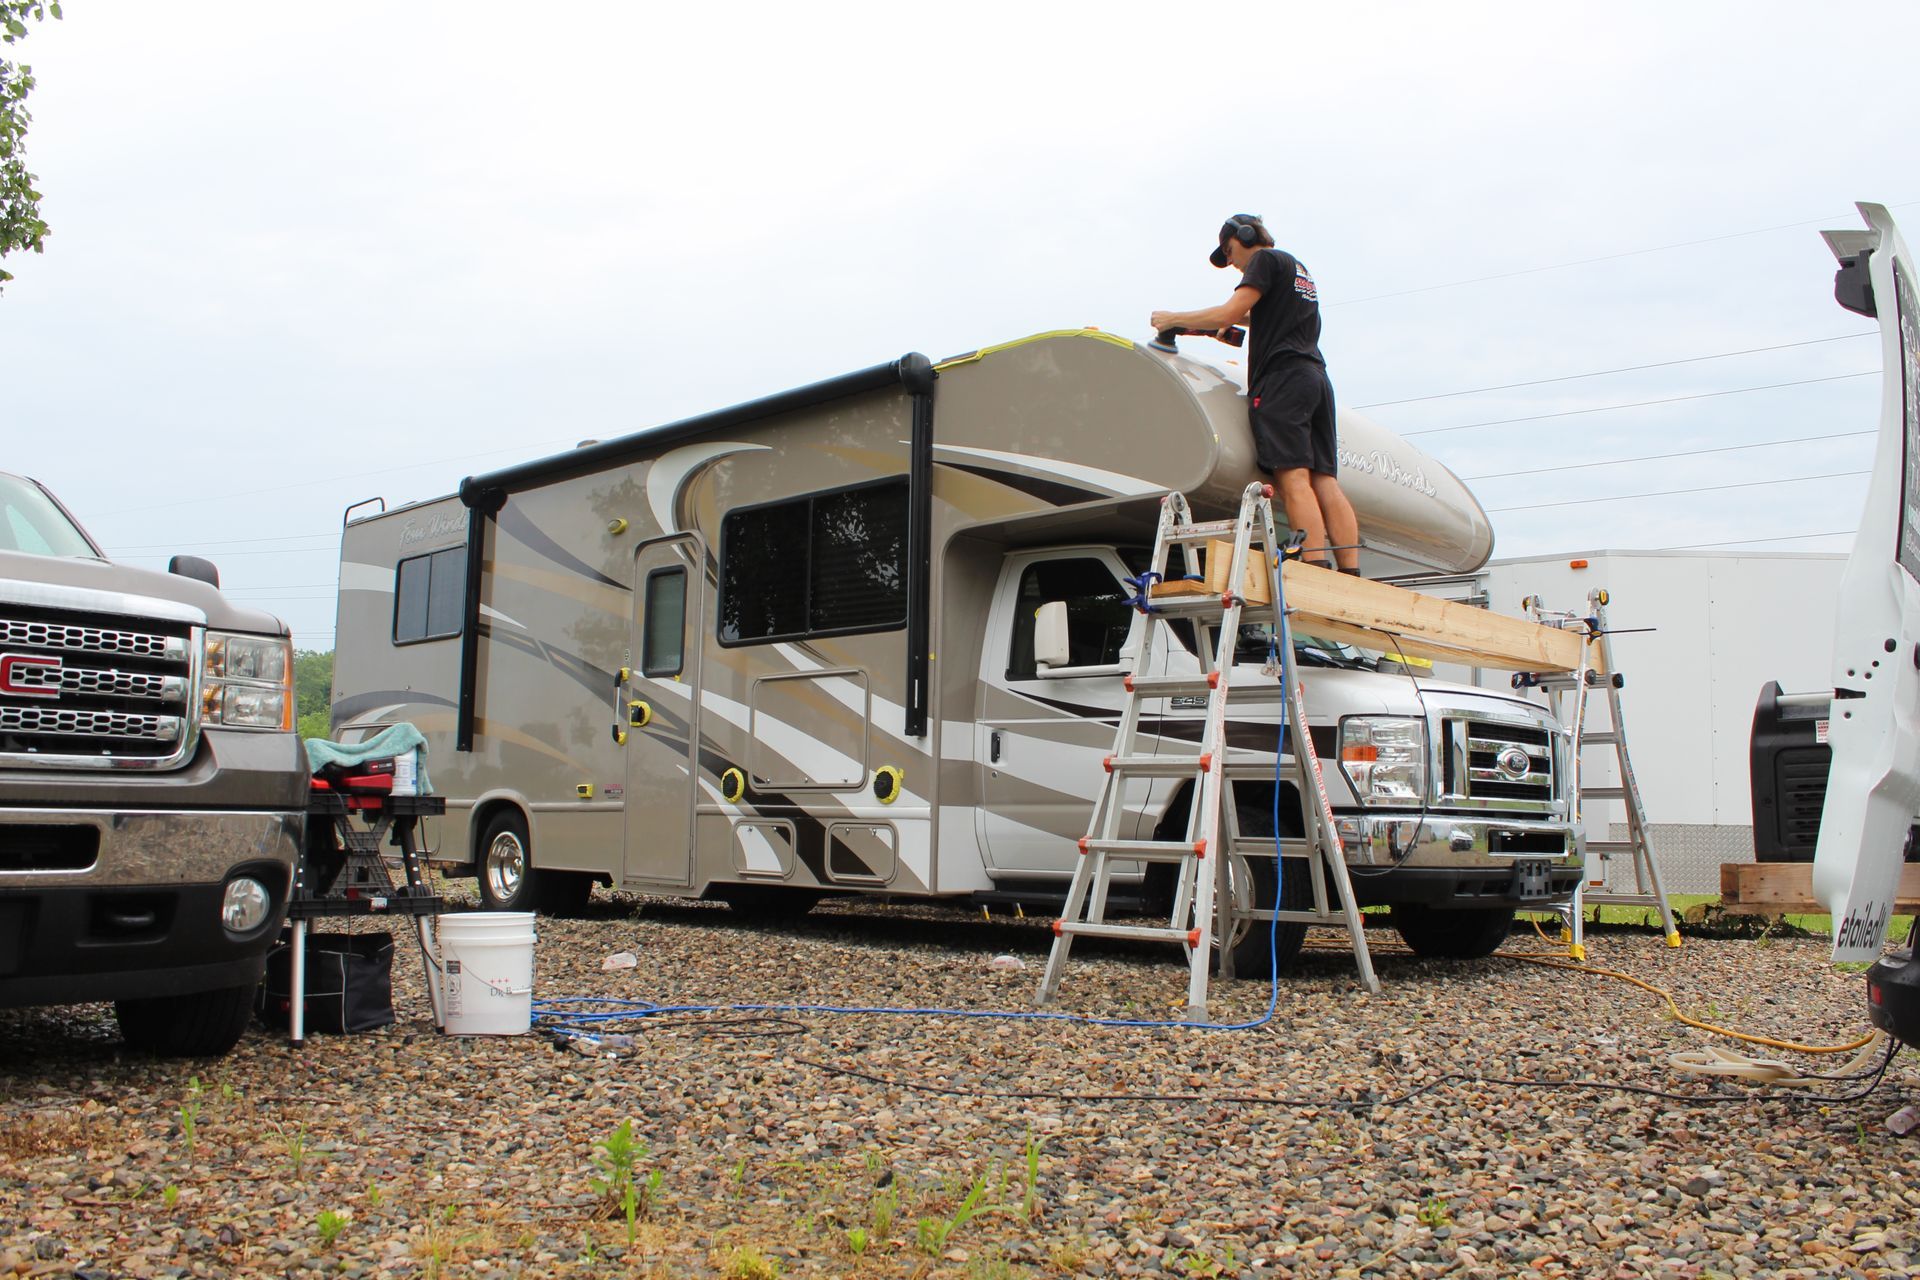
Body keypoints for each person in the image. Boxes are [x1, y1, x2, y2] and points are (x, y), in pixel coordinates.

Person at [1151, 213, 1360, 574]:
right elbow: (1255, 316)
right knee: (1325, 479)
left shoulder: (1264, 260)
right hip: (1315, 378)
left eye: (1230, 252)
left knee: (1293, 477)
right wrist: (1213, 325)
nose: (1231, 263)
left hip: (1283, 379)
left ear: (1246, 236)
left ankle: (1314, 566)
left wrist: (1172, 318)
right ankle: (1351, 571)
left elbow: (1232, 310)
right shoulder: (1298, 270)